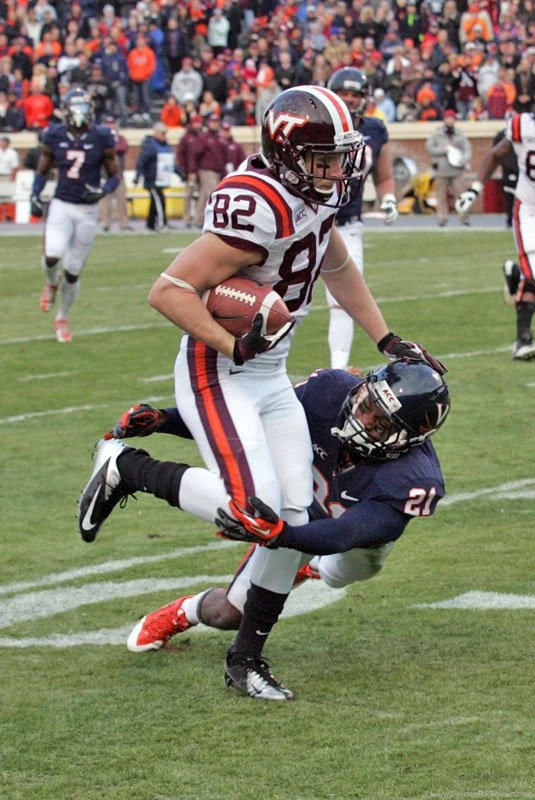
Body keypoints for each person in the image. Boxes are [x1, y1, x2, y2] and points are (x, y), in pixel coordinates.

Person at [78, 85, 445, 701]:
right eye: (321, 157)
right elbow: (168, 291)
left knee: (291, 517)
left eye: (338, 155)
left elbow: (337, 267)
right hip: (216, 368)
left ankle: (245, 660)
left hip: (269, 369)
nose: (335, 168)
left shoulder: (317, 195)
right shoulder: (260, 205)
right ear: (286, 155)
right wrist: (233, 347)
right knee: (256, 507)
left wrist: (386, 339)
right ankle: (127, 467)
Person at [80, 360, 449, 700]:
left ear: (410, 438)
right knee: (228, 614)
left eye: (380, 423)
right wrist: (165, 420)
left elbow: (344, 534)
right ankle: (183, 611)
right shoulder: (328, 393)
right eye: (366, 403)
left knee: (343, 572)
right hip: (297, 511)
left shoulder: (412, 480)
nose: (360, 418)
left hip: (350, 540)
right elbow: (247, 429)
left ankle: (312, 566)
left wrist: (278, 535)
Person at [31, 88, 119, 343]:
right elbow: (43, 168)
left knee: (72, 271)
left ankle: (62, 317)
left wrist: (102, 191)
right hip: (61, 203)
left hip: (87, 211)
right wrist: (35, 194)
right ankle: (50, 283)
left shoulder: (101, 136)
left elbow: (115, 176)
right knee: (51, 255)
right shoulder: (54, 134)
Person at [324, 68, 399, 371]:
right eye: (344, 93)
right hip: (311, 219)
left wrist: (390, 198)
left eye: (356, 94)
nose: (350, 100)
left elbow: (384, 176)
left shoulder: (375, 130)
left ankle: (338, 370)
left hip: (348, 226)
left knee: (342, 303)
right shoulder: (317, 124)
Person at [455, 111, 535, 361]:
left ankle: (517, 280)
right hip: (530, 210)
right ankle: (523, 341)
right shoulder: (522, 125)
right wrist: (475, 189)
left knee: (532, 275)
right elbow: (494, 154)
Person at [426, 109, 472, 228]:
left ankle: (464, 218)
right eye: (448, 118)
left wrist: (463, 159)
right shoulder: (437, 134)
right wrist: (443, 150)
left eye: (452, 118)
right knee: (441, 196)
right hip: (441, 169)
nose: (450, 120)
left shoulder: (459, 134)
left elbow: (467, 149)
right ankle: (442, 218)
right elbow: (429, 147)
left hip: (456, 170)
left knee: (461, 194)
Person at [134, 121, 178, 233]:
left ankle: (150, 224)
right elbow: (141, 161)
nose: (164, 135)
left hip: (161, 179)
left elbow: (170, 163)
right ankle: (162, 224)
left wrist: (180, 173)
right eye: (162, 133)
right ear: (156, 133)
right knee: (159, 201)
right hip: (152, 179)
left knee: (155, 201)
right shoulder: (150, 146)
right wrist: (138, 176)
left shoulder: (165, 146)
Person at [99, 116, 131, 232]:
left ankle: (124, 223)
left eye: (112, 124)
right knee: (104, 202)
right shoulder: (101, 138)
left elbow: (124, 147)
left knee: (121, 201)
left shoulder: (120, 138)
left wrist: (112, 144)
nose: (110, 126)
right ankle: (105, 223)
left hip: (118, 174)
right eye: (108, 124)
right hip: (105, 174)